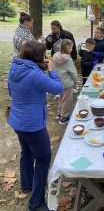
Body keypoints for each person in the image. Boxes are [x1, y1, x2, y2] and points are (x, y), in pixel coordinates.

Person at [8, 41, 63, 211]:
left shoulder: (15, 67)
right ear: (38, 57)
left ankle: (27, 184)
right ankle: (36, 202)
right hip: (32, 124)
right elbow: (58, 89)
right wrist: (52, 70)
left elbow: (11, 92)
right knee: (43, 158)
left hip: (17, 120)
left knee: (27, 151)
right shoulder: (35, 74)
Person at [52, 39, 78, 124]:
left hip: (59, 82)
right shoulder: (68, 60)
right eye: (71, 47)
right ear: (67, 47)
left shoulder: (55, 56)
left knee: (61, 99)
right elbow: (73, 72)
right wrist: (75, 82)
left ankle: (60, 114)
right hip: (67, 83)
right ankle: (64, 117)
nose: (72, 49)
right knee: (67, 101)